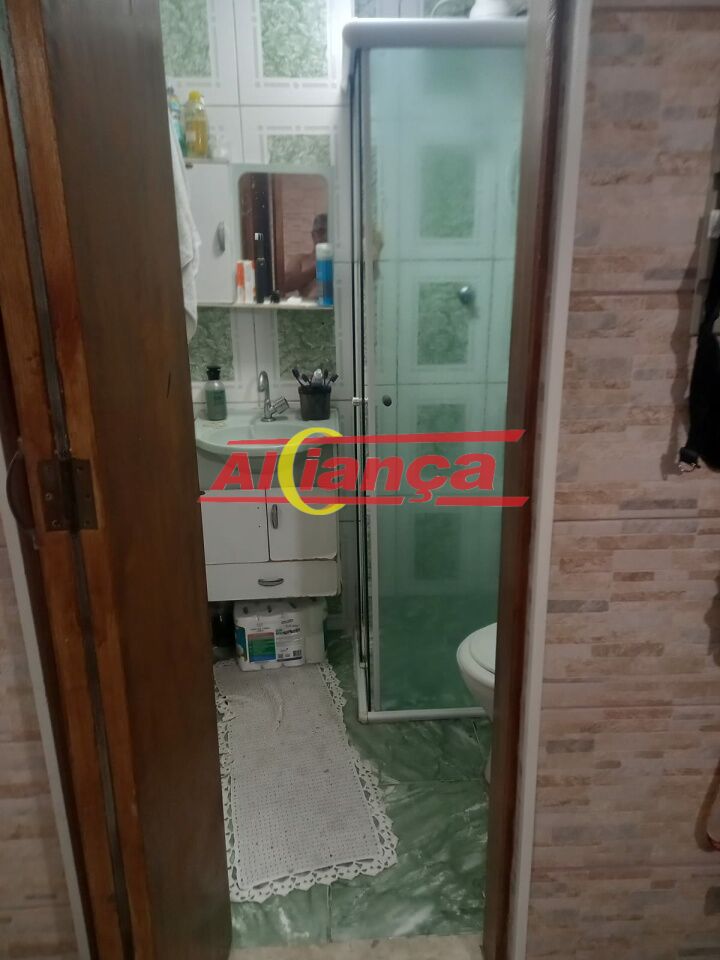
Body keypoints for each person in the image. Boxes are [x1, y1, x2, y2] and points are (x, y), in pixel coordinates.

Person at [281, 213, 327, 298]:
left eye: (329, 232)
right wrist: (317, 269)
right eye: (321, 232)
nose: (325, 236)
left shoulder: (341, 263)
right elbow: (284, 285)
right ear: (313, 235)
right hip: (308, 306)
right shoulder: (301, 260)